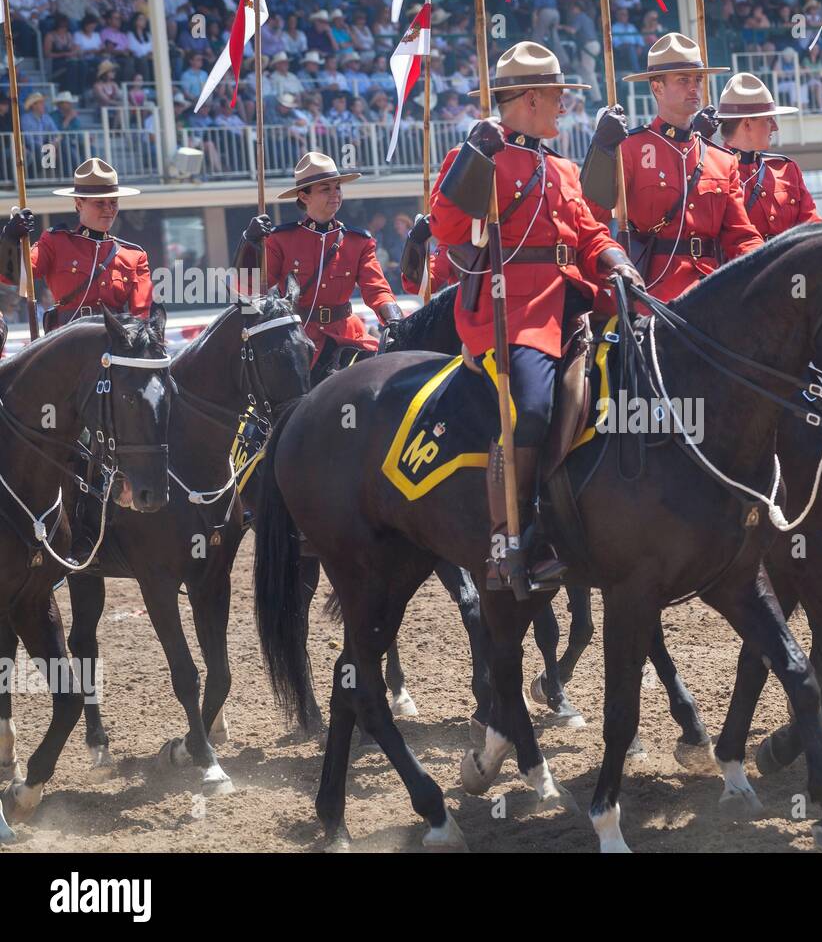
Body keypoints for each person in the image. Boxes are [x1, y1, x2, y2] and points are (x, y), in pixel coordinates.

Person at [426, 41, 643, 593]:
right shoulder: (480, 157)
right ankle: (512, 536)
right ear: (528, 100)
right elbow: (447, 228)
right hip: (514, 311)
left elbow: (590, 232)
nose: (564, 104)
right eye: (556, 95)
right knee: (533, 403)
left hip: (575, 303)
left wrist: (616, 260)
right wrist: (474, 157)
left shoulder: (563, 168)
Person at [581, 32, 763, 304]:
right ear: (657, 88)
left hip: (712, 291)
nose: (695, 88)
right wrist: (601, 151)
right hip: (652, 294)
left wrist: (770, 264)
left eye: (698, 79)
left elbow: (741, 237)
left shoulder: (721, 160)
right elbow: (591, 217)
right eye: (683, 80)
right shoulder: (629, 148)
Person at [235, 152, 404, 384]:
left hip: (347, 337)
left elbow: (377, 290)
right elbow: (250, 291)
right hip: (296, 339)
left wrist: (395, 321)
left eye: (337, 188)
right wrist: (249, 243)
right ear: (304, 196)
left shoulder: (359, 241)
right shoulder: (281, 239)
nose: (335, 194)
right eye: (326, 189)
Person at [0, 158, 153, 332]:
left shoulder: (134, 256)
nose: (109, 209)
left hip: (115, 341)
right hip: (68, 340)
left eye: (113, 202)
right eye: (100, 203)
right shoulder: (56, 242)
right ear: (79, 204)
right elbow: (12, 277)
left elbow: (143, 314)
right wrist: (10, 239)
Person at [716, 73, 822, 240]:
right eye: (769, 119)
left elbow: (813, 225)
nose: (775, 127)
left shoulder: (786, 169)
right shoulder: (714, 172)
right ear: (747, 124)